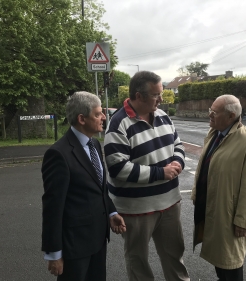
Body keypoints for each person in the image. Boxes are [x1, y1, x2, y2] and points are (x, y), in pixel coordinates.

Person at [104, 71, 190, 281]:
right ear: (139, 96)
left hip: (169, 203)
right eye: (156, 95)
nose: (162, 99)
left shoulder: (163, 116)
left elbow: (177, 144)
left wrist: (178, 162)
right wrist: (161, 173)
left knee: (174, 255)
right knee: (138, 261)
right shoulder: (118, 124)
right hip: (136, 209)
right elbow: (118, 168)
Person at [41, 91, 126, 281]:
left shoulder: (94, 144)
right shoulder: (58, 154)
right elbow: (52, 207)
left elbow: (99, 187)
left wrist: (111, 212)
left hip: (97, 240)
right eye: (98, 114)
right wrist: (54, 253)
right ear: (81, 118)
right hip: (74, 247)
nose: (104, 117)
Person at [191, 94, 246, 281]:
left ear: (231, 116)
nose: (210, 115)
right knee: (219, 259)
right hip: (212, 208)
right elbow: (205, 167)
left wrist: (244, 220)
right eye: (210, 110)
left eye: (214, 112)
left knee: (230, 263)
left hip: (229, 214)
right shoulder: (214, 134)